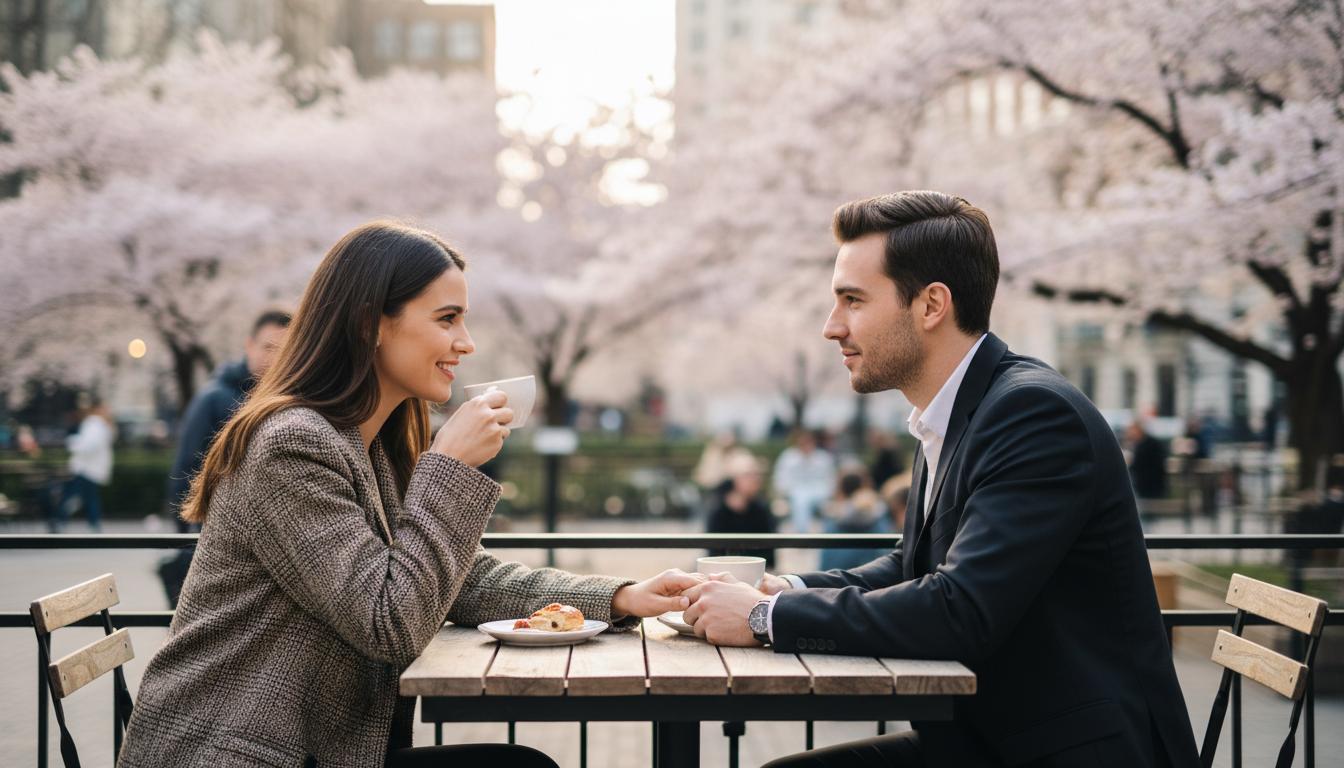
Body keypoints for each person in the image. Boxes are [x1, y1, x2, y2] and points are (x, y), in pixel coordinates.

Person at [117, 222, 701, 768]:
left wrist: (621, 597)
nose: (466, 343)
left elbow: (463, 582)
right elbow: (389, 621)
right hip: (233, 752)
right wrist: (448, 467)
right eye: (447, 319)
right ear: (371, 323)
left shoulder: (371, 444)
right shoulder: (291, 447)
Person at [682, 191, 1200, 767]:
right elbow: (914, 567)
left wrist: (763, 619)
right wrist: (784, 590)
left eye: (853, 300)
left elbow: (961, 608)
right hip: (992, 739)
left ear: (931, 305)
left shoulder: (1033, 414)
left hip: (1071, 750)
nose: (832, 327)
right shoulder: (958, 411)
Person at [157, 309, 291, 606]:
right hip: (214, 536)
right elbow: (186, 468)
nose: (274, 358)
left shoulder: (281, 399)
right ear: (248, 345)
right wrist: (187, 536)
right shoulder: (214, 398)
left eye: (283, 350)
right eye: (268, 347)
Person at [46, 398, 115, 532]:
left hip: (86, 469)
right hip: (91, 469)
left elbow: (88, 446)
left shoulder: (94, 424)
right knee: (88, 499)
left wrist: (72, 443)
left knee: (74, 497)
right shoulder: (100, 425)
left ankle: (61, 521)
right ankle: (92, 526)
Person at [705, 452, 776, 566]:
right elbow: (712, 553)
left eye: (757, 474)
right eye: (748, 475)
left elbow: (769, 555)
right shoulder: (718, 510)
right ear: (734, 479)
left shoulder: (761, 509)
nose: (756, 479)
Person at [818, 469, 891, 572]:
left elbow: (825, 564)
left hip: (836, 577)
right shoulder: (879, 514)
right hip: (873, 576)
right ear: (866, 488)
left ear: (840, 490)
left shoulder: (832, 517)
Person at [771, 429, 836, 533]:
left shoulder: (823, 458)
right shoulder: (788, 457)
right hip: (795, 492)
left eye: (809, 442)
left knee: (812, 502)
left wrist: (825, 493)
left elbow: (830, 480)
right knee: (801, 499)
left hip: (820, 492)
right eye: (803, 442)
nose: (806, 446)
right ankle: (802, 533)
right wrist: (789, 491)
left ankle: (824, 535)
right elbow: (780, 480)